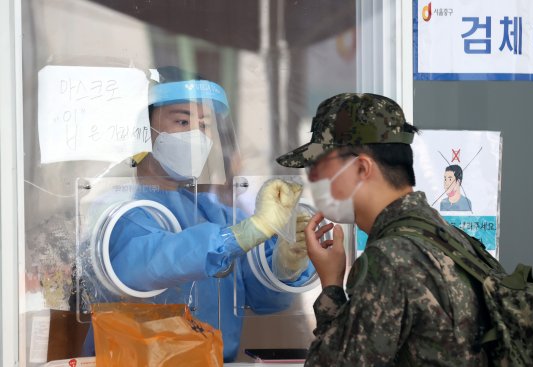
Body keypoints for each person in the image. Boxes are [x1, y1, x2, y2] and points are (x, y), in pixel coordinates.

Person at [81, 69, 313, 362]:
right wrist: (246, 232)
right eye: (182, 121)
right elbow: (153, 262)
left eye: (204, 125)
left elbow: (263, 300)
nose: (197, 136)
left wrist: (283, 264)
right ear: (141, 130)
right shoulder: (118, 210)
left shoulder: (212, 211)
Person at [276, 93, 488, 366]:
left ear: (362, 168)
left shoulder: (389, 260)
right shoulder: (451, 239)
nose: (314, 182)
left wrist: (331, 286)